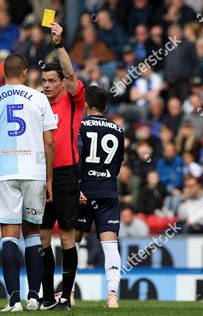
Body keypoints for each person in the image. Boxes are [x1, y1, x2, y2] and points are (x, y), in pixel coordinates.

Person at [0, 53, 56, 312]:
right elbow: (50, 142)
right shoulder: (40, 98)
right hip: (34, 172)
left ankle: (14, 300)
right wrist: (49, 178)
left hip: (3, 172)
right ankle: (34, 296)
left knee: (9, 236)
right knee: (33, 234)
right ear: (24, 73)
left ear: (2, 73)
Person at [39, 22, 86, 311]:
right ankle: (46, 297)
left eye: (50, 81)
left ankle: (66, 298)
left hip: (66, 174)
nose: (46, 85)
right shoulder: (36, 103)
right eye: (43, 81)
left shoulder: (73, 100)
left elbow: (70, 72)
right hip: (39, 176)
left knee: (66, 236)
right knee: (42, 237)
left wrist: (59, 45)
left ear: (61, 83)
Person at [75, 86, 125, 308]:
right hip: (108, 191)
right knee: (110, 244)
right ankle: (112, 296)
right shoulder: (118, 130)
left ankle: (69, 294)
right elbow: (117, 165)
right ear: (105, 107)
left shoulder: (80, 126)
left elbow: (75, 158)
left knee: (72, 241)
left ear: (86, 105)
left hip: (83, 191)